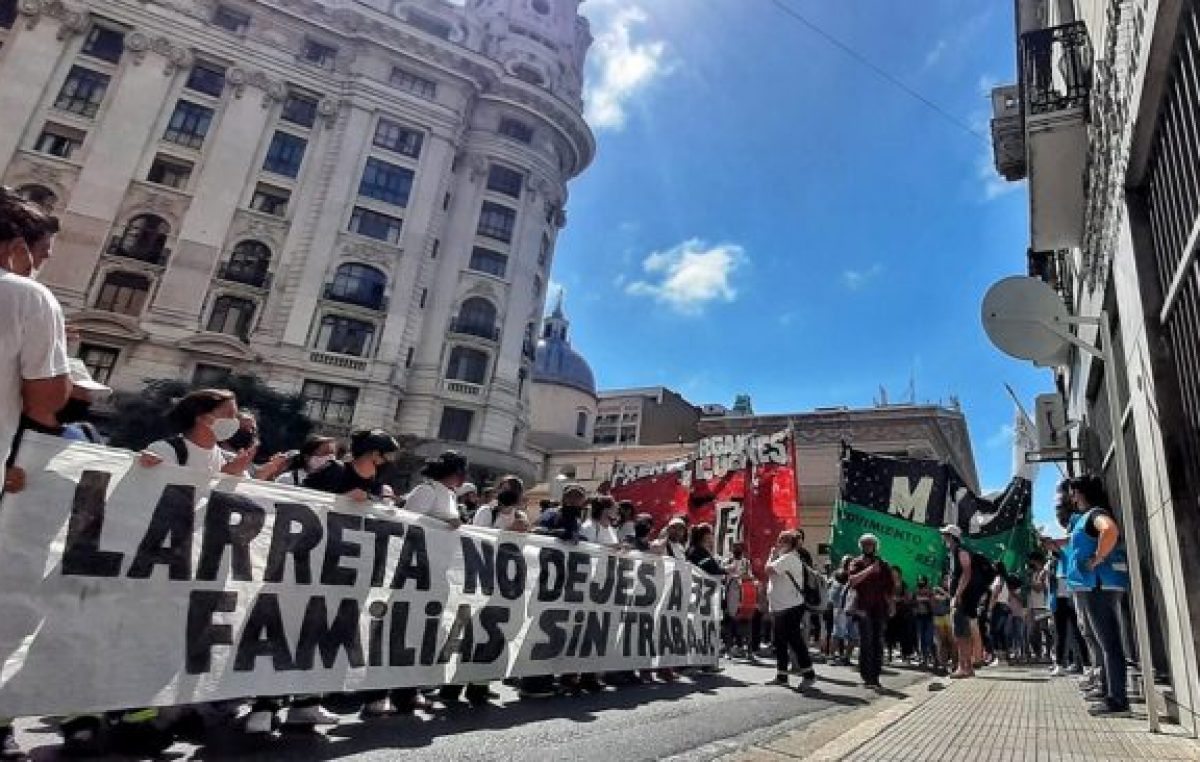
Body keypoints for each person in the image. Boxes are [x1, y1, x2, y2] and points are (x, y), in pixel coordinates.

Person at [0, 191, 71, 515]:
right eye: (42, 255)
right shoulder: (27, 295)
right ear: (17, 248)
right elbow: (45, 402)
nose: (40, 265)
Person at [1064, 474, 1132, 716]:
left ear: (1080, 493)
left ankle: (1118, 700)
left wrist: (1097, 559)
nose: (1070, 497)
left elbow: (1110, 530)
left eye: (1072, 492)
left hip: (1099, 585)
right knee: (1105, 642)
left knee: (1109, 643)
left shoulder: (1095, 514)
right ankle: (1109, 692)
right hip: (1096, 585)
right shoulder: (1087, 518)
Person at [764, 530, 818, 689]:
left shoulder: (789, 558)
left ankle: (809, 674)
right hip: (781, 606)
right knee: (780, 641)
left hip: (791, 606)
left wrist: (770, 556)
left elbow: (768, 570)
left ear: (789, 544)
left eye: (782, 541)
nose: (778, 544)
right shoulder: (785, 558)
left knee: (794, 640)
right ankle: (782, 675)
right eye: (779, 540)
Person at [847, 534, 894, 689]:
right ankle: (867, 677)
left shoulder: (883, 564)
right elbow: (852, 581)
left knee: (878, 643)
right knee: (866, 642)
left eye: (871, 544)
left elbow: (889, 588)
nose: (868, 547)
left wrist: (891, 605)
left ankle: (875, 676)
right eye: (865, 544)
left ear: (875, 546)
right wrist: (869, 570)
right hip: (862, 608)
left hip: (879, 608)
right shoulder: (857, 562)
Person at [940, 524, 987, 678]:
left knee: (961, 634)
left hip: (962, 599)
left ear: (952, 537)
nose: (943, 537)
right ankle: (967, 667)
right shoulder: (953, 553)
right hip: (961, 598)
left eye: (946, 535)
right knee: (962, 633)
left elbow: (967, 573)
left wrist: (957, 595)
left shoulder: (961, 551)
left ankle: (963, 667)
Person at [303, 429, 398, 504]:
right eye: (388, 456)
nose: (390, 462)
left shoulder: (376, 486)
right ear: (375, 454)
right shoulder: (335, 471)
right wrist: (342, 500)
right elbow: (300, 496)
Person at [271, 435, 338, 487]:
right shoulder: (286, 480)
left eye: (332, 453)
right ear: (307, 457)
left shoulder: (335, 483)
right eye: (325, 453)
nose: (330, 458)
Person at [914, 576, 936, 668]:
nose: (921, 584)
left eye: (923, 582)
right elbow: (912, 602)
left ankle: (935, 658)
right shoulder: (915, 592)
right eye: (920, 582)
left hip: (929, 618)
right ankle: (924, 658)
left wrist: (927, 598)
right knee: (921, 639)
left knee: (929, 639)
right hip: (919, 618)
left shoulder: (930, 592)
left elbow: (933, 604)